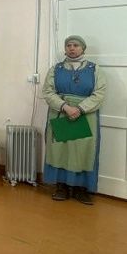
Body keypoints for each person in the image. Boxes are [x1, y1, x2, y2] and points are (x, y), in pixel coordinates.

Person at [42, 35, 106, 205]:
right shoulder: (56, 69)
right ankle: (61, 187)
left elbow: (99, 93)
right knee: (60, 150)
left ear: (83, 48)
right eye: (69, 45)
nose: (72, 48)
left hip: (85, 115)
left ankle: (81, 189)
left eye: (76, 45)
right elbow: (48, 92)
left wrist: (80, 108)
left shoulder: (94, 69)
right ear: (65, 48)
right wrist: (65, 107)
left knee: (83, 151)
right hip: (61, 113)